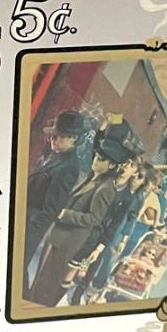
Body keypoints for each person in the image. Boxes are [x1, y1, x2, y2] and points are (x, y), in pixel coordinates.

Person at [28, 136, 130, 307]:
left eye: (101, 159)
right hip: (59, 235)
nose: (96, 160)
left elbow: (94, 219)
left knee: (46, 288)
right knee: (39, 283)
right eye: (97, 156)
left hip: (68, 241)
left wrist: (64, 214)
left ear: (112, 165)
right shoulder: (93, 177)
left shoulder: (106, 188)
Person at [67, 155, 145, 304]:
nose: (126, 166)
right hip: (82, 227)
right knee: (70, 264)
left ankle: (78, 293)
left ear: (135, 172)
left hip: (103, 234)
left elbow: (117, 223)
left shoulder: (130, 198)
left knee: (92, 265)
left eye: (131, 166)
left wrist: (105, 245)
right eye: (126, 163)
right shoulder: (106, 180)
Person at [23, 110, 89, 273]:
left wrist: (28, 229)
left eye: (59, 136)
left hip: (29, 229)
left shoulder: (68, 167)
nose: (53, 138)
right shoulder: (54, 155)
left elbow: (51, 210)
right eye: (53, 134)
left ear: (73, 138)